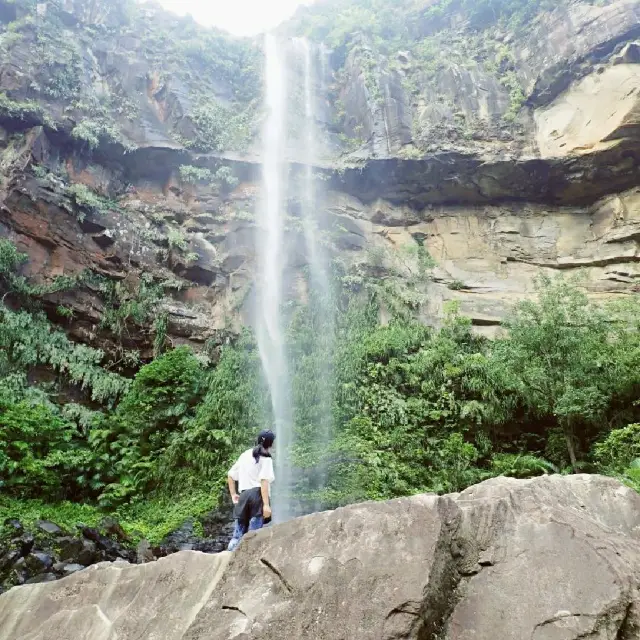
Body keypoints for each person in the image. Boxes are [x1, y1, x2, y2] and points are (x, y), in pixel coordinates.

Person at [226, 429, 275, 551]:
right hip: (257, 498)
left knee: (237, 535)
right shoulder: (266, 458)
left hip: (243, 496)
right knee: (253, 536)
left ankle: (228, 558)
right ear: (271, 444)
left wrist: (233, 494)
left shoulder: (244, 455)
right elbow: (264, 481)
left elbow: (230, 475)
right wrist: (266, 505)